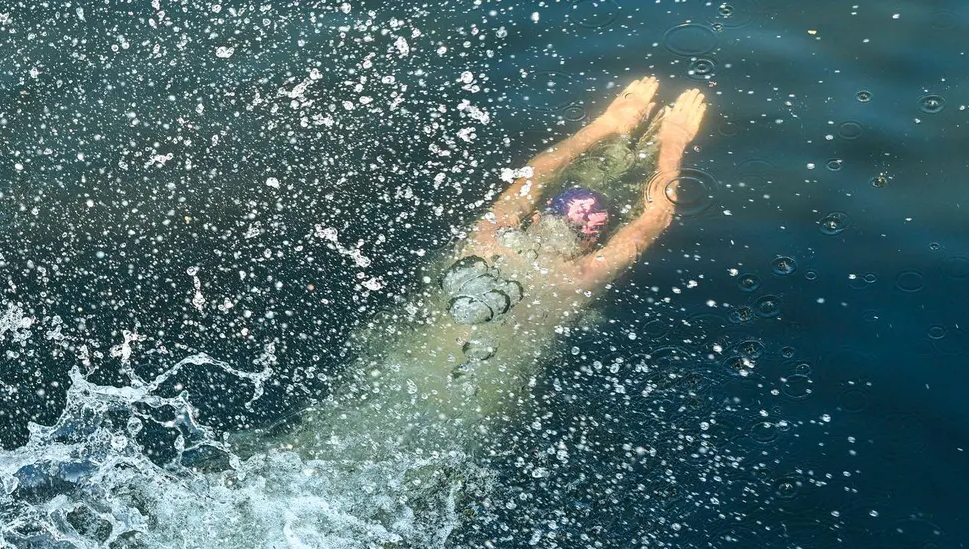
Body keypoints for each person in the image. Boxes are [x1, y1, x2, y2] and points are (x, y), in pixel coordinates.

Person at [292, 77, 706, 463]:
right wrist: (675, 142)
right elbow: (656, 218)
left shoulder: (487, 242)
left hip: (403, 371)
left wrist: (604, 124)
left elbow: (535, 174)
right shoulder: (582, 277)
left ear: (537, 218)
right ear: (591, 243)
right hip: (473, 404)